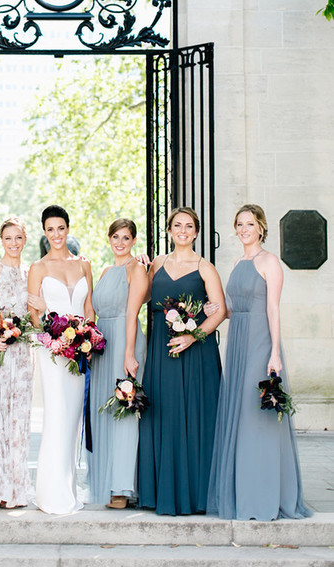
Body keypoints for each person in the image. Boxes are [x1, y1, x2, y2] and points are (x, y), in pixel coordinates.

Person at [207, 204, 312, 520]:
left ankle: (262, 496)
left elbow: (273, 310)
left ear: (261, 227)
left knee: (257, 414)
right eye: (239, 224)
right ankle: (242, 493)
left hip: (260, 341)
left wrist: (275, 353)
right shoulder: (238, 262)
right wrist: (215, 311)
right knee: (239, 412)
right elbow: (231, 309)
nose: (243, 229)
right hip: (237, 339)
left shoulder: (270, 262)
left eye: (249, 224)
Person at [138, 207, 226, 515]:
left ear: (197, 232)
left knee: (195, 417)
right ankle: (160, 492)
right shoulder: (159, 263)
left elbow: (220, 311)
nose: (183, 230)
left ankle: (198, 495)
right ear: (169, 230)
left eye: (189, 226)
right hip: (162, 350)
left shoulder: (205, 267)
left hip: (196, 354)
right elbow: (144, 296)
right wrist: (137, 269)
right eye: (178, 225)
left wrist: (193, 337)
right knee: (164, 414)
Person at [28, 204, 94, 515]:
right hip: (53, 352)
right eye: (50, 229)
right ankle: (50, 492)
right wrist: (51, 329)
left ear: (68, 228)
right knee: (56, 414)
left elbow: (90, 308)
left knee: (73, 417)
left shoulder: (83, 265)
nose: (56, 234)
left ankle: (68, 485)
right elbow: (32, 316)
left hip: (80, 351)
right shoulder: (38, 268)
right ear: (45, 232)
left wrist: (89, 337)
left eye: (61, 228)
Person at [88, 218, 149, 508]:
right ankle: (108, 479)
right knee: (104, 412)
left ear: (134, 240)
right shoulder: (105, 270)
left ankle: (123, 487)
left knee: (124, 411)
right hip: (104, 346)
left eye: (126, 237)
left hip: (126, 341)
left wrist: (128, 353)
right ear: (109, 239)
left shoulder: (135, 269)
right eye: (116, 236)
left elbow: (132, 312)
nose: (120, 242)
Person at [0, 216, 34, 508]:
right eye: (8, 238)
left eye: (19, 238)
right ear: (1, 240)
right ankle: (0, 488)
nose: (13, 243)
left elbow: (35, 315)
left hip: (23, 356)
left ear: (25, 240)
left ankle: (19, 487)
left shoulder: (30, 272)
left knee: (19, 419)